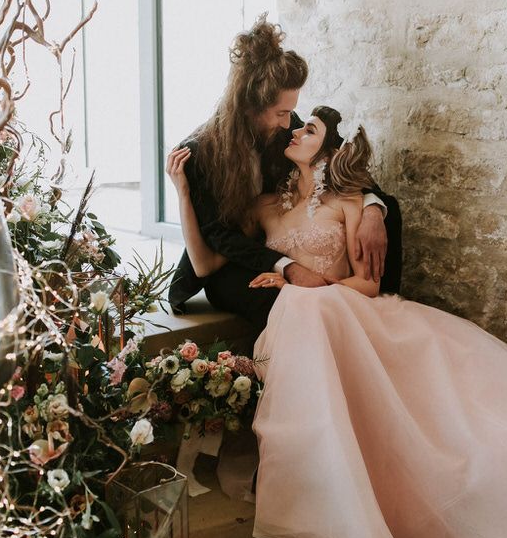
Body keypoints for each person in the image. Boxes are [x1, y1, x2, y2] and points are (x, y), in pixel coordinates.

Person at [166, 106, 507, 538]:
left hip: (353, 315)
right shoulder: (265, 204)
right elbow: (205, 261)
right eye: (294, 125)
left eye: (307, 130)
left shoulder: (352, 200)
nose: (294, 131)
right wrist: (183, 192)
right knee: (301, 310)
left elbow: (369, 285)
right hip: (303, 326)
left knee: (311, 311)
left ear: (327, 149)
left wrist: (305, 285)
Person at [167, 17, 401, 335]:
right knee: (283, 300)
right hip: (234, 259)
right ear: (249, 105)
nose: (289, 122)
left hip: (279, 234)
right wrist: (288, 269)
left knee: (391, 214)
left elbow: (336, 160)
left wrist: (372, 208)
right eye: (280, 113)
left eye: (291, 112)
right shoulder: (199, 153)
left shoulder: (287, 126)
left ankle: (376, 322)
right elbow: (220, 238)